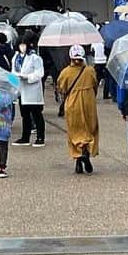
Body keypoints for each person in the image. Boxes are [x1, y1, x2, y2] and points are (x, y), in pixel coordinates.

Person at [56, 45, 99, 174]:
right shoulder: (90, 70)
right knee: (89, 128)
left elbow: (61, 88)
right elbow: (95, 85)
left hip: (72, 104)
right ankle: (86, 151)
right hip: (88, 103)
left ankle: (78, 159)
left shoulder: (66, 72)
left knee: (74, 130)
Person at [12, 38, 45, 146]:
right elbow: (13, 72)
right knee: (25, 115)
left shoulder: (34, 57)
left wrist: (28, 77)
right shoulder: (16, 58)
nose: (22, 47)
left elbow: (39, 73)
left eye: (24, 44)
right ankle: (25, 137)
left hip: (33, 89)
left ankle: (40, 137)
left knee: (36, 114)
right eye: (20, 44)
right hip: (22, 90)